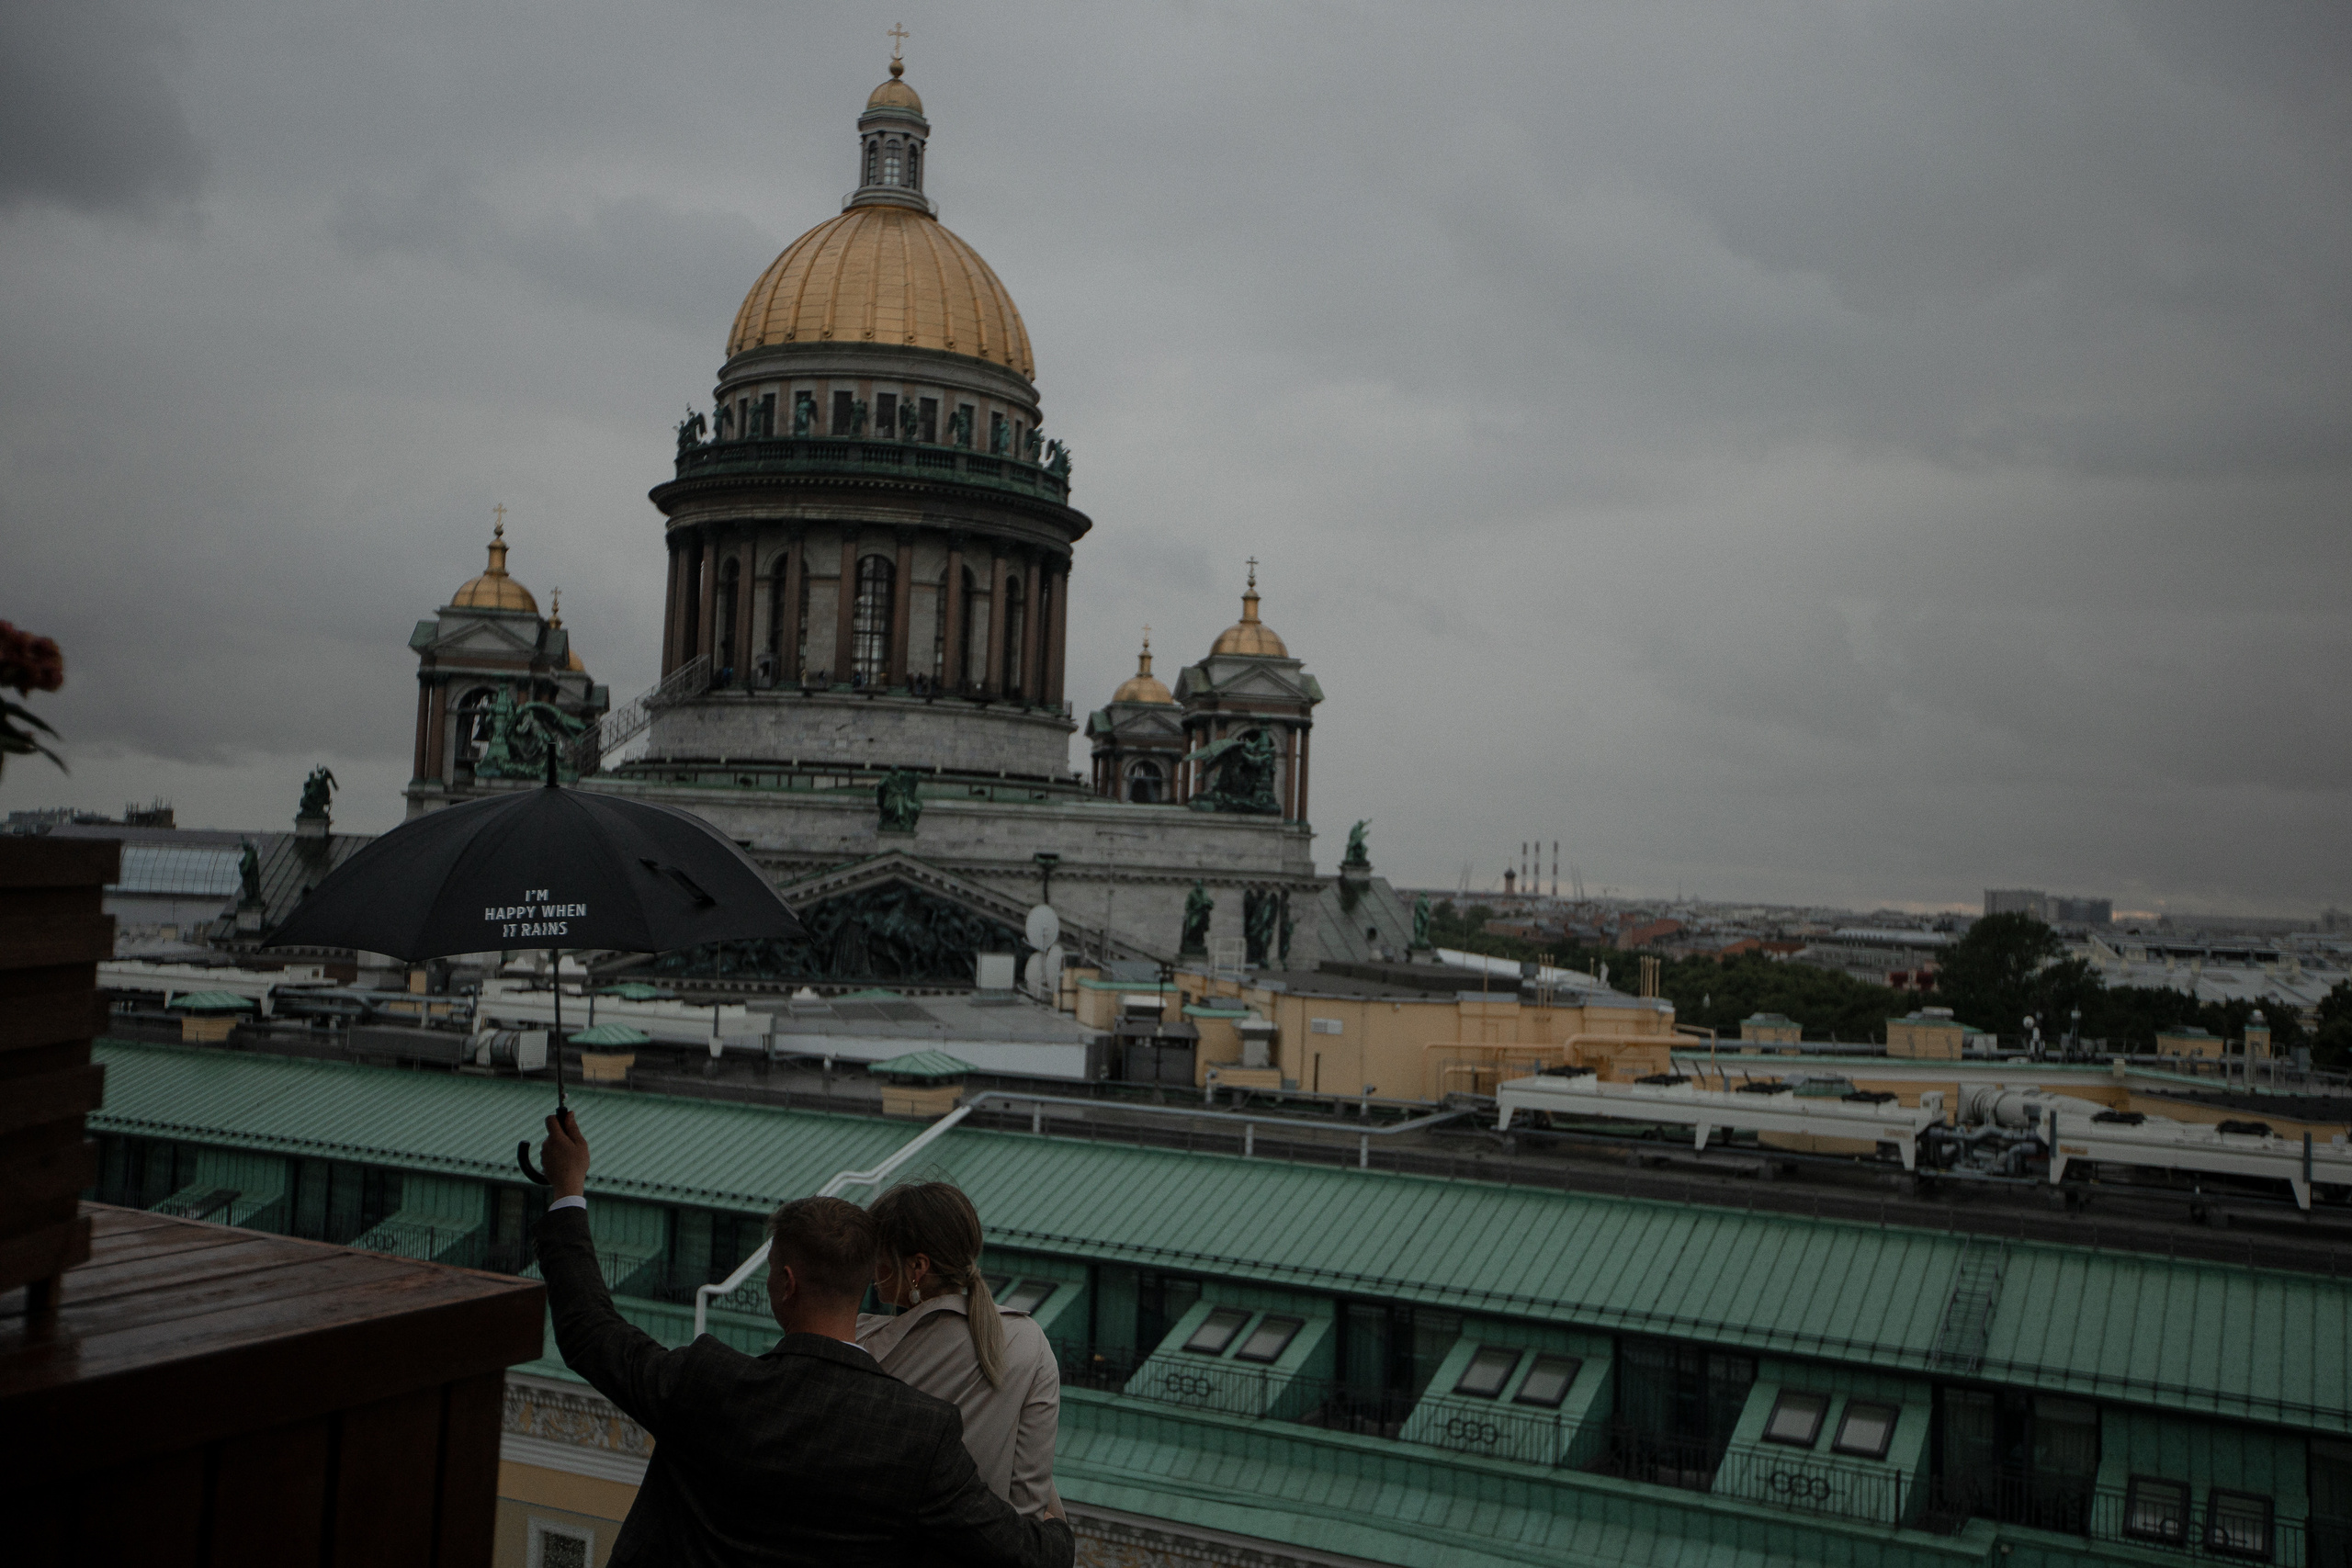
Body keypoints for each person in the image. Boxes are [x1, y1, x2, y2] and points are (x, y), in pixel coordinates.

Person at [534, 1111, 1072, 1568]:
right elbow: (1017, 1553)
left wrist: (568, 1189)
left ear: (785, 1284)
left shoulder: (709, 1385)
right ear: (863, 1281)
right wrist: (1058, 1533)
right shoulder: (922, 1437)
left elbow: (588, 1330)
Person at [859, 1182, 1061, 1517]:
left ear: (918, 1267)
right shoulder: (1029, 1341)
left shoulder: (864, 1346)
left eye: (878, 1255)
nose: (872, 1269)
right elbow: (1029, 1502)